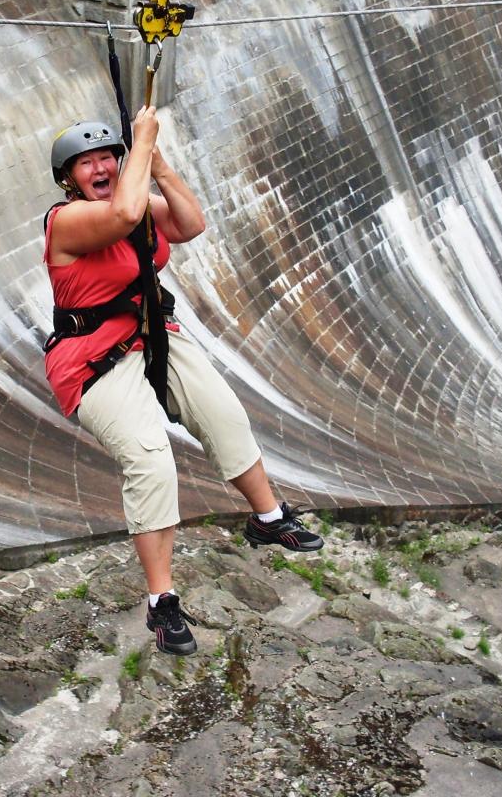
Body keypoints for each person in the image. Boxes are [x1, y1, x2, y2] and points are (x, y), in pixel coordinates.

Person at [41, 106, 324, 656]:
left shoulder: (139, 204)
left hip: (150, 331)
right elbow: (122, 214)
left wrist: (159, 165)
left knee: (223, 414)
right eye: (86, 163)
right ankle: (161, 601)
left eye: (108, 158)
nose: (100, 168)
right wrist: (142, 141)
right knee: (151, 461)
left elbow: (190, 225)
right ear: (68, 179)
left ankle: (268, 517)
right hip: (92, 357)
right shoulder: (67, 221)